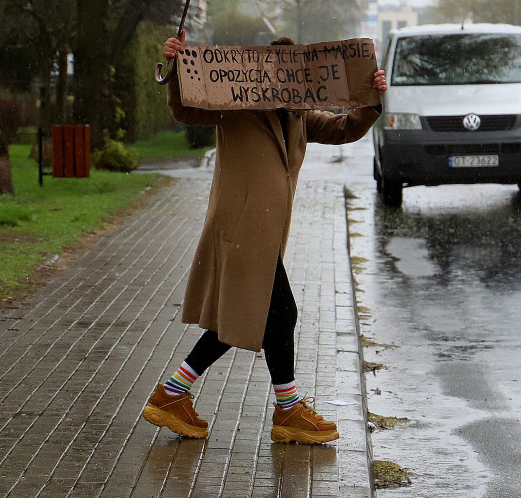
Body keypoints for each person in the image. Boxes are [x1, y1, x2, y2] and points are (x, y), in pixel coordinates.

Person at [142, 32, 387, 445]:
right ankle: (286, 410)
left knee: (244, 315)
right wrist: (176, 67)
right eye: (283, 72)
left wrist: (370, 97)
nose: (291, 80)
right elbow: (187, 109)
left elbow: (344, 128)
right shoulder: (235, 105)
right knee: (275, 311)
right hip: (238, 228)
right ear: (264, 72)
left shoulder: (298, 115)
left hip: (264, 233)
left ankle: (175, 393)